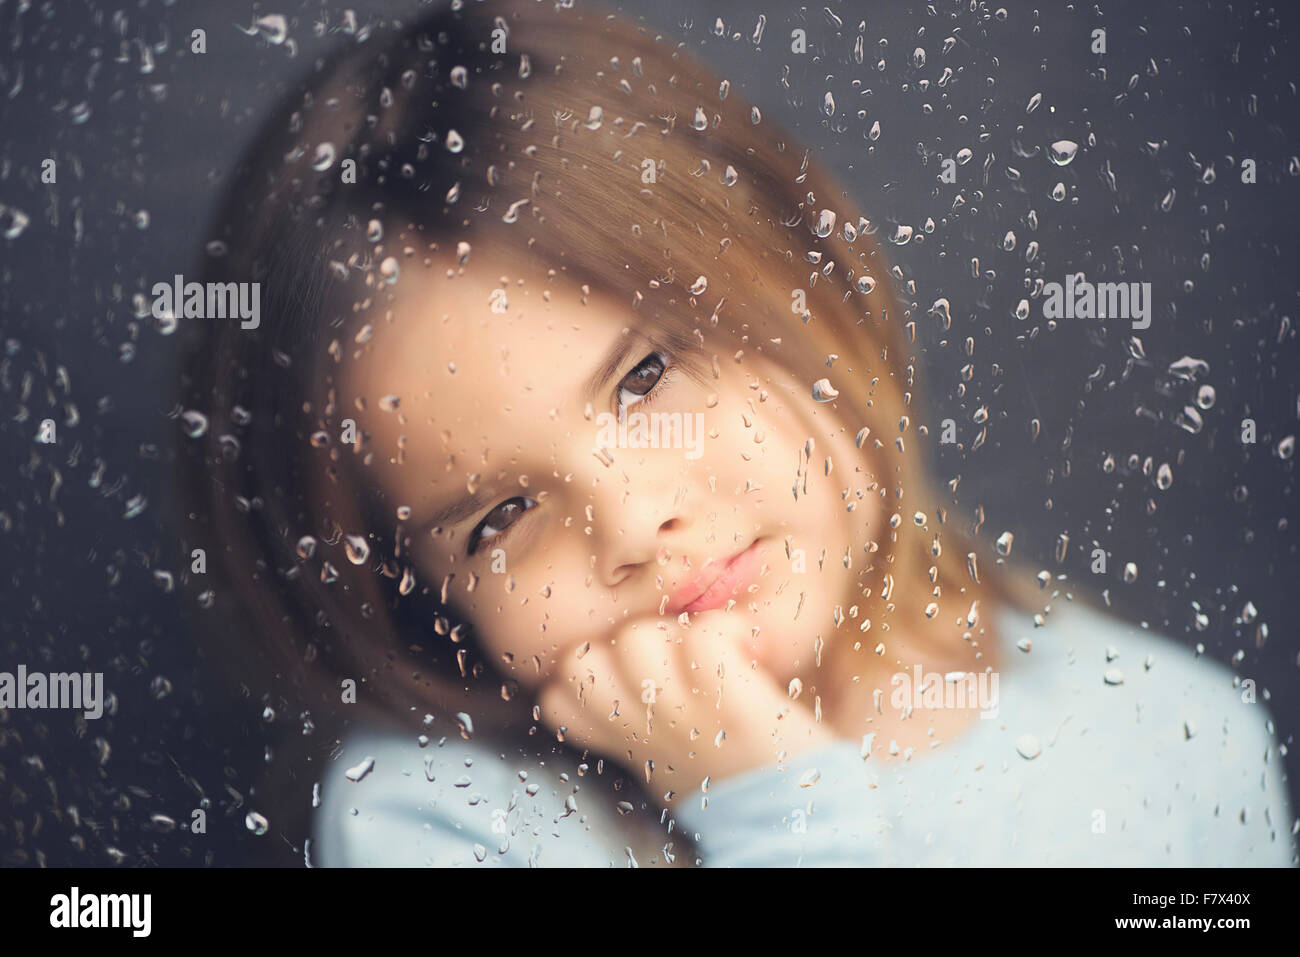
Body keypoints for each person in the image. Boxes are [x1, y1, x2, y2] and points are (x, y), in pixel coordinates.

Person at [176, 0, 1294, 867]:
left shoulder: (1168, 746)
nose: (632, 524)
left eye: (647, 375)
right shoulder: (449, 820)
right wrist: (776, 818)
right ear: (422, 606)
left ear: (806, 287)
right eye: (501, 516)